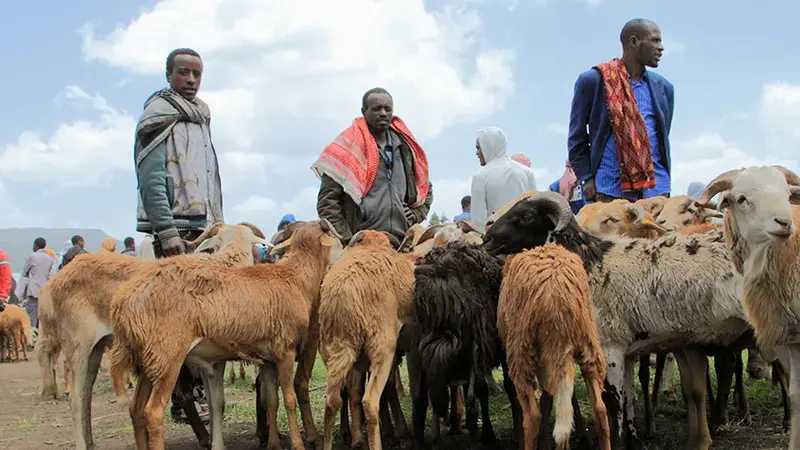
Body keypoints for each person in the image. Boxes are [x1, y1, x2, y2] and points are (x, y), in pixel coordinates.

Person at [134, 47, 222, 423]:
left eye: (196, 73)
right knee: (177, 321)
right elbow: (151, 176)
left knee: (205, 319)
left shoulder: (200, 116)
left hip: (203, 229)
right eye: (183, 72)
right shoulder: (157, 115)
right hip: (177, 230)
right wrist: (166, 229)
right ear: (168, 74)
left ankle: (198, 394)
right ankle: (180, 397)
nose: (190, 79)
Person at [568, 18, 674, 204]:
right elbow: (577, 137)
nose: (661, 47)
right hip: (609, 190)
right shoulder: (594, 81)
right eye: (654, 40)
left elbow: (662, 136)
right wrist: (586, 177)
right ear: (633, 42)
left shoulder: (664, 88)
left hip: (657, 191)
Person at [313, 87, 433, 245]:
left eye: (387, 109)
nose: (383, 113)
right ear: (364, 111)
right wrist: (349, 240)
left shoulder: (406, 148)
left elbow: (426, 189)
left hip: (401, 243)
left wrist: (415, 215)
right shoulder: (346, 150)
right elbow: (327, 204)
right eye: (376, 108)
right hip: (362, 246)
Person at [470, 127, 537, 231]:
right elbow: (535, 208)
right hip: (526, 235)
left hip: (497, 236)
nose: (476, 153)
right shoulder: (527, 172)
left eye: (478, 148)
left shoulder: (480, 176)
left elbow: (478, 221)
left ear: (488, 146)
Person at [19, 237, 54, 331]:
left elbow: (25, 272)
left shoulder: (32, 256)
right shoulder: (50, 259)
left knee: (31, 312)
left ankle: (32, 332)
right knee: (41, 313)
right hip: (44, 289)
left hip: (33, 288)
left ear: (36, 245)